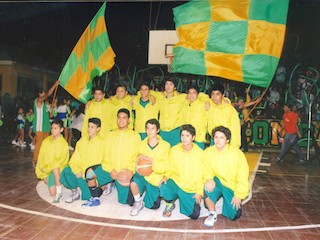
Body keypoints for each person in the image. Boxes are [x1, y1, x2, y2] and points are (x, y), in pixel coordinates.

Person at [203, 126, 249, 227]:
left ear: (227, 140)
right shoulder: (208, 152)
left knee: (234, 215)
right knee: (206, 185)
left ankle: (226, 199)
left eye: (221, 138)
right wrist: (208, 178)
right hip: (218, 182)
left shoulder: (237, 154)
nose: (218, 140)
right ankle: (212, 213)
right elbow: (206, 168)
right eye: (216, 137)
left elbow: (242, 176)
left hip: (231, 186)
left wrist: (239, 195)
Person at [92, 108, 141, 205]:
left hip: (125, 173)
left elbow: (137, 156)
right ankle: (95, 197)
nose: (121, 120)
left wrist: (130, 170)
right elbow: (104, 155)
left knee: (126, 202)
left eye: (124, 118)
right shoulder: (110, 135)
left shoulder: (135, 136)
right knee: (89, 174)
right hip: (110, 170)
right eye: (119, 117)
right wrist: (110, 169)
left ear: (129, 120)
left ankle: (116, 186)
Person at [159, 124, 204, 219]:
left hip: (190, 188)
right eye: (182, 135)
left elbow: (201, 174)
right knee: (164, 186)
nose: (184, 138)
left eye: (187, 136)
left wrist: (199, 191)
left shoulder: (200, 153)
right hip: (177, 183)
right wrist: (166, 176)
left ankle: (184, 199)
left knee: (194, 215)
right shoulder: (174, 150)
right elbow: (170, 167)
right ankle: (170, 203)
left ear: (193, 137)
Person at [60, 118, 105, 205]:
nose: (89, 129)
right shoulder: (82, 141)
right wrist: (77, 170)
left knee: (87, 197)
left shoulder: (102, 142)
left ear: (98, 129)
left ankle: (102, 187)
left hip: (90, 175)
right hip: (80, 171)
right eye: (88, 126)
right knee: (66, 171)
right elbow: (74, 158)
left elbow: (101, 162)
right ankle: (74, 192)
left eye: (92, 127)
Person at [129, 118, 170, 216]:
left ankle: (147, 197)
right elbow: (133, 158)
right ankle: (138, 202)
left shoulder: (166, 145)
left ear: (158, 130)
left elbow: (166, 165)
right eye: (147, 128)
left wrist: (152, 161)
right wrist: (137, 158)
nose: (150, 131)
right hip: (142, 175)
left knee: (152, 206)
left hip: (155, 176)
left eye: (152, 128)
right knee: (133, 186)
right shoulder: (141, 144)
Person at [35, 119, 69, 203]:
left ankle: (59, 194)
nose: (53, 130)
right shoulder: (46, 141)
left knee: (55, 168)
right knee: (52, 193)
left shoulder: (63, 143)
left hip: (58, 168)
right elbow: (41, 156)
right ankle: (57, 184)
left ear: (61, 130)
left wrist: (49, 168)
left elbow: (62, 160)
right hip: (48, 169)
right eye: (52, 128)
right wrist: (41, 168)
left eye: (56, 128)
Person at [33, 80, 60, 167]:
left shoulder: (44, 104)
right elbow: (48, 94)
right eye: (43, 93)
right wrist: (55, 85)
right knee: (39, 143)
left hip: (46, 126)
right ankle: (35, 160)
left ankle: (43, 159)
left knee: (45, 144)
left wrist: (52, 109)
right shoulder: (38, 101)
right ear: (39, 94)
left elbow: (49, 115)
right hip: (39, 127)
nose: (45, 95)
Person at [207, 82, 241, 148]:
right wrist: (207, 101)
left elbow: (235, 129)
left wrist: (235, 146)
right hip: (213, 140)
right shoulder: (209, 105)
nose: (214, 97)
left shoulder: (229, 109)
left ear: (222, 95)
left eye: (217, 94)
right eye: (213, 94)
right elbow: (198, 95)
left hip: (225, 142)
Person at [180, 85, 208, 149]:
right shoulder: (185, 104)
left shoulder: (203, 104)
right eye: (189, 93)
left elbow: (215, 100)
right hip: (187, 138)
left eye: (194, 93)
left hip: (198, 138)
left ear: (198, 94)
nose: (191, 95)